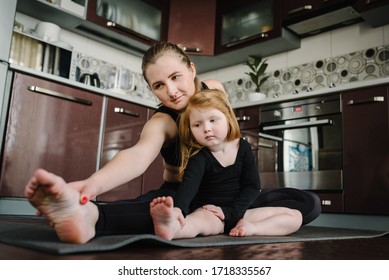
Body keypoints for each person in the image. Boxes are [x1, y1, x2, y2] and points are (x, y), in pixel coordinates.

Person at [25, 42, 321, 244]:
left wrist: (238, 201)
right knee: (160, 209)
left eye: (176, 77)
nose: (172, 91)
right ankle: (91, 216)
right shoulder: (163, 122)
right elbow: (138, 156)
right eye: (159, 85)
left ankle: (235, 219)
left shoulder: (215, 89)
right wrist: (92, 185)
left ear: (192, 69)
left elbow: (232, 139)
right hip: (187, 192)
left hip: (230, 192)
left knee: (307, 203)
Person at [150, 89, 304, 240]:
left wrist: (232, 212)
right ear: (190, 129)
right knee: (196, 223)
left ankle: (251, 228)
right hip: (212, 214)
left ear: (228, 118)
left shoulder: (243, 147)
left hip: (240, 212)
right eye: (197, 125)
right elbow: (188, 186)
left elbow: (252, 186)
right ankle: (171, 227)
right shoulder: (199, 157)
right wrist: (178, 209)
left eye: (212, 120)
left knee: (295, 216)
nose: (207, 129)